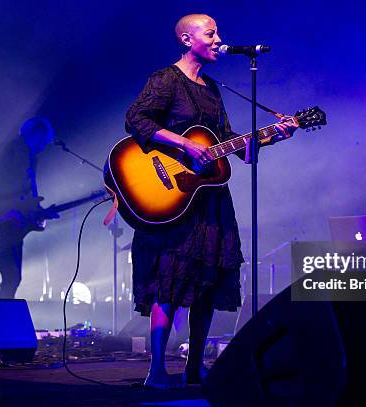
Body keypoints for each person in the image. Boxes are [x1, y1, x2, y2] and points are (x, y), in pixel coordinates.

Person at [125, 14, 298, 389]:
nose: (220, 38)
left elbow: (225, 140)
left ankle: (194, 366)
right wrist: (184, 144)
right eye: (211, 33)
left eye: (218, 32)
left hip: (209, 199)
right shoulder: (165, 80)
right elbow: (137, 120)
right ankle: (156, 370)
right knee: (169, 281)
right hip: (172, 195)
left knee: (206, 281)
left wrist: (272, 136)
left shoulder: (212, 88)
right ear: (187, 39)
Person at [0, 116, 57, 299]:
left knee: (12, 278)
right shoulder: (9, 151)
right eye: (43, 141)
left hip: (13, 226)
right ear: (35, 135)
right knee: (12, 277)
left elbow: (25, 196)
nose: (44, 146)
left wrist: (41, 211)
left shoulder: (30, 158)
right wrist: (6, 211)